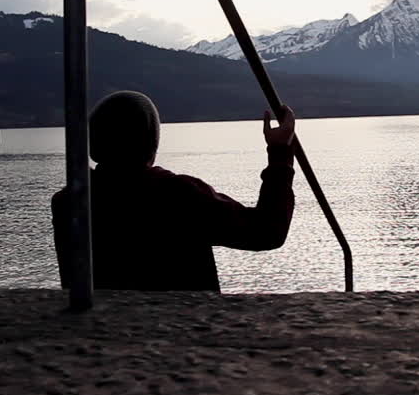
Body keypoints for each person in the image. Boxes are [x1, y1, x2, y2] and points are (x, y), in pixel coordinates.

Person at [51, 90, 296, 291]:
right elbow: (266, 232)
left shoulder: (68, 203)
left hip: (98, 335)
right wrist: (280, 152)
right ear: (150, 143)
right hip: (181, 337)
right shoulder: (179, 194)